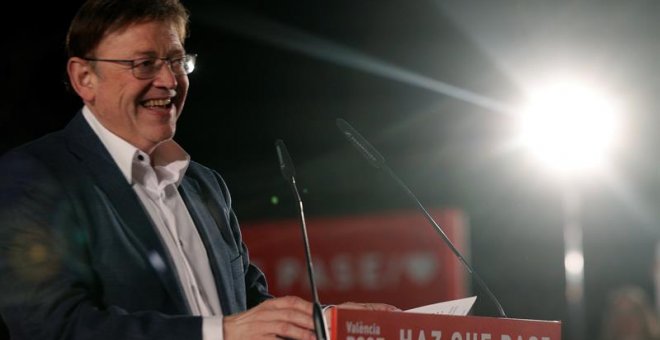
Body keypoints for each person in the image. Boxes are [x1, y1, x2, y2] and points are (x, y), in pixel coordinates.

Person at [0, 0, 396, 339]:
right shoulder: (36, 176)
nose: (170, 81)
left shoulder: (205, 185)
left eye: (176, 61)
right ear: (84, 77)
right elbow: (53, 328)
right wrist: (219, 333)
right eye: (144, 64)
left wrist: (333, 323)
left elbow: (250, 310)